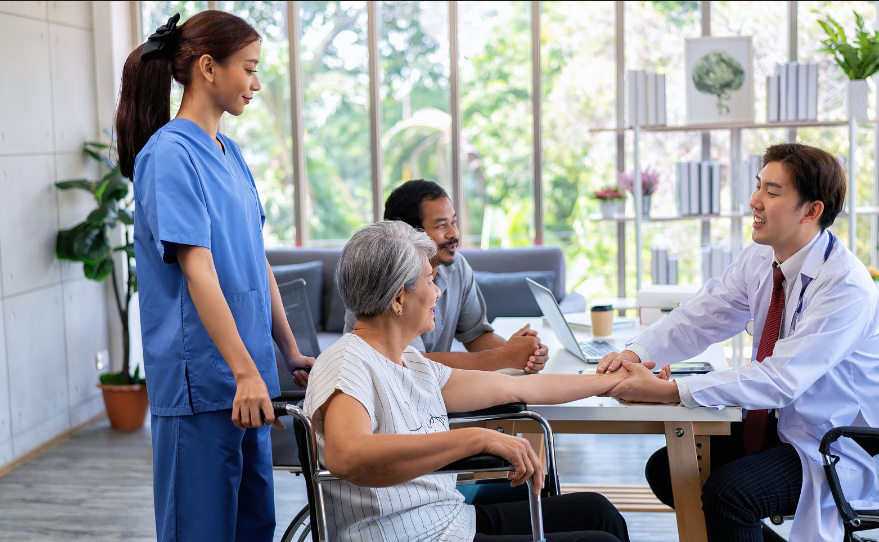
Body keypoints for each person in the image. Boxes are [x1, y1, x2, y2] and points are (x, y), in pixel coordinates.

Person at [596, 143, 879, 542]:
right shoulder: (762, 258)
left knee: (731, 494)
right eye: (758, 185)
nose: (754, 201)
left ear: (812, 211)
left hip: (833, 445)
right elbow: (702, 316)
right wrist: (635, 353)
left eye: (772, 192)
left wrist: (671, 390)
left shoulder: (845, 286)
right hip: (781, 429)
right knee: (671, 472)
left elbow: (781, 379)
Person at [305, 220, 630, 542]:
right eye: (430, 280)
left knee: (598, 512)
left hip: (450, 519)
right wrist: (476, 439)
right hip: (404, 535)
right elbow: (346, 454)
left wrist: (612, 381)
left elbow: (520, 387)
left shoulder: (414, 364)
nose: (438, 292)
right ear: (398, 299)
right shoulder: (347, 362)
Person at [118, 11, 314, 541]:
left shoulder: (232, 154)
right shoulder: (169, 156)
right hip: (205, 386)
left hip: (250, 383)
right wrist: (245, 371)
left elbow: (256, 261)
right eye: (249, 68)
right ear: (208, 67)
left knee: (255, 528)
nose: (255, 83)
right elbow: (199, 271)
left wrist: (287, 352)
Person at [344, 180, 549, 374]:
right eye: (441, 225)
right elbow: (411, 365)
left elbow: (475, 334)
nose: (454, 234)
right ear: (408, 232)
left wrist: (521, 353)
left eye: (454, 222)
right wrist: (503, 357)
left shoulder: (456, 266)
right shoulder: (386, 279)